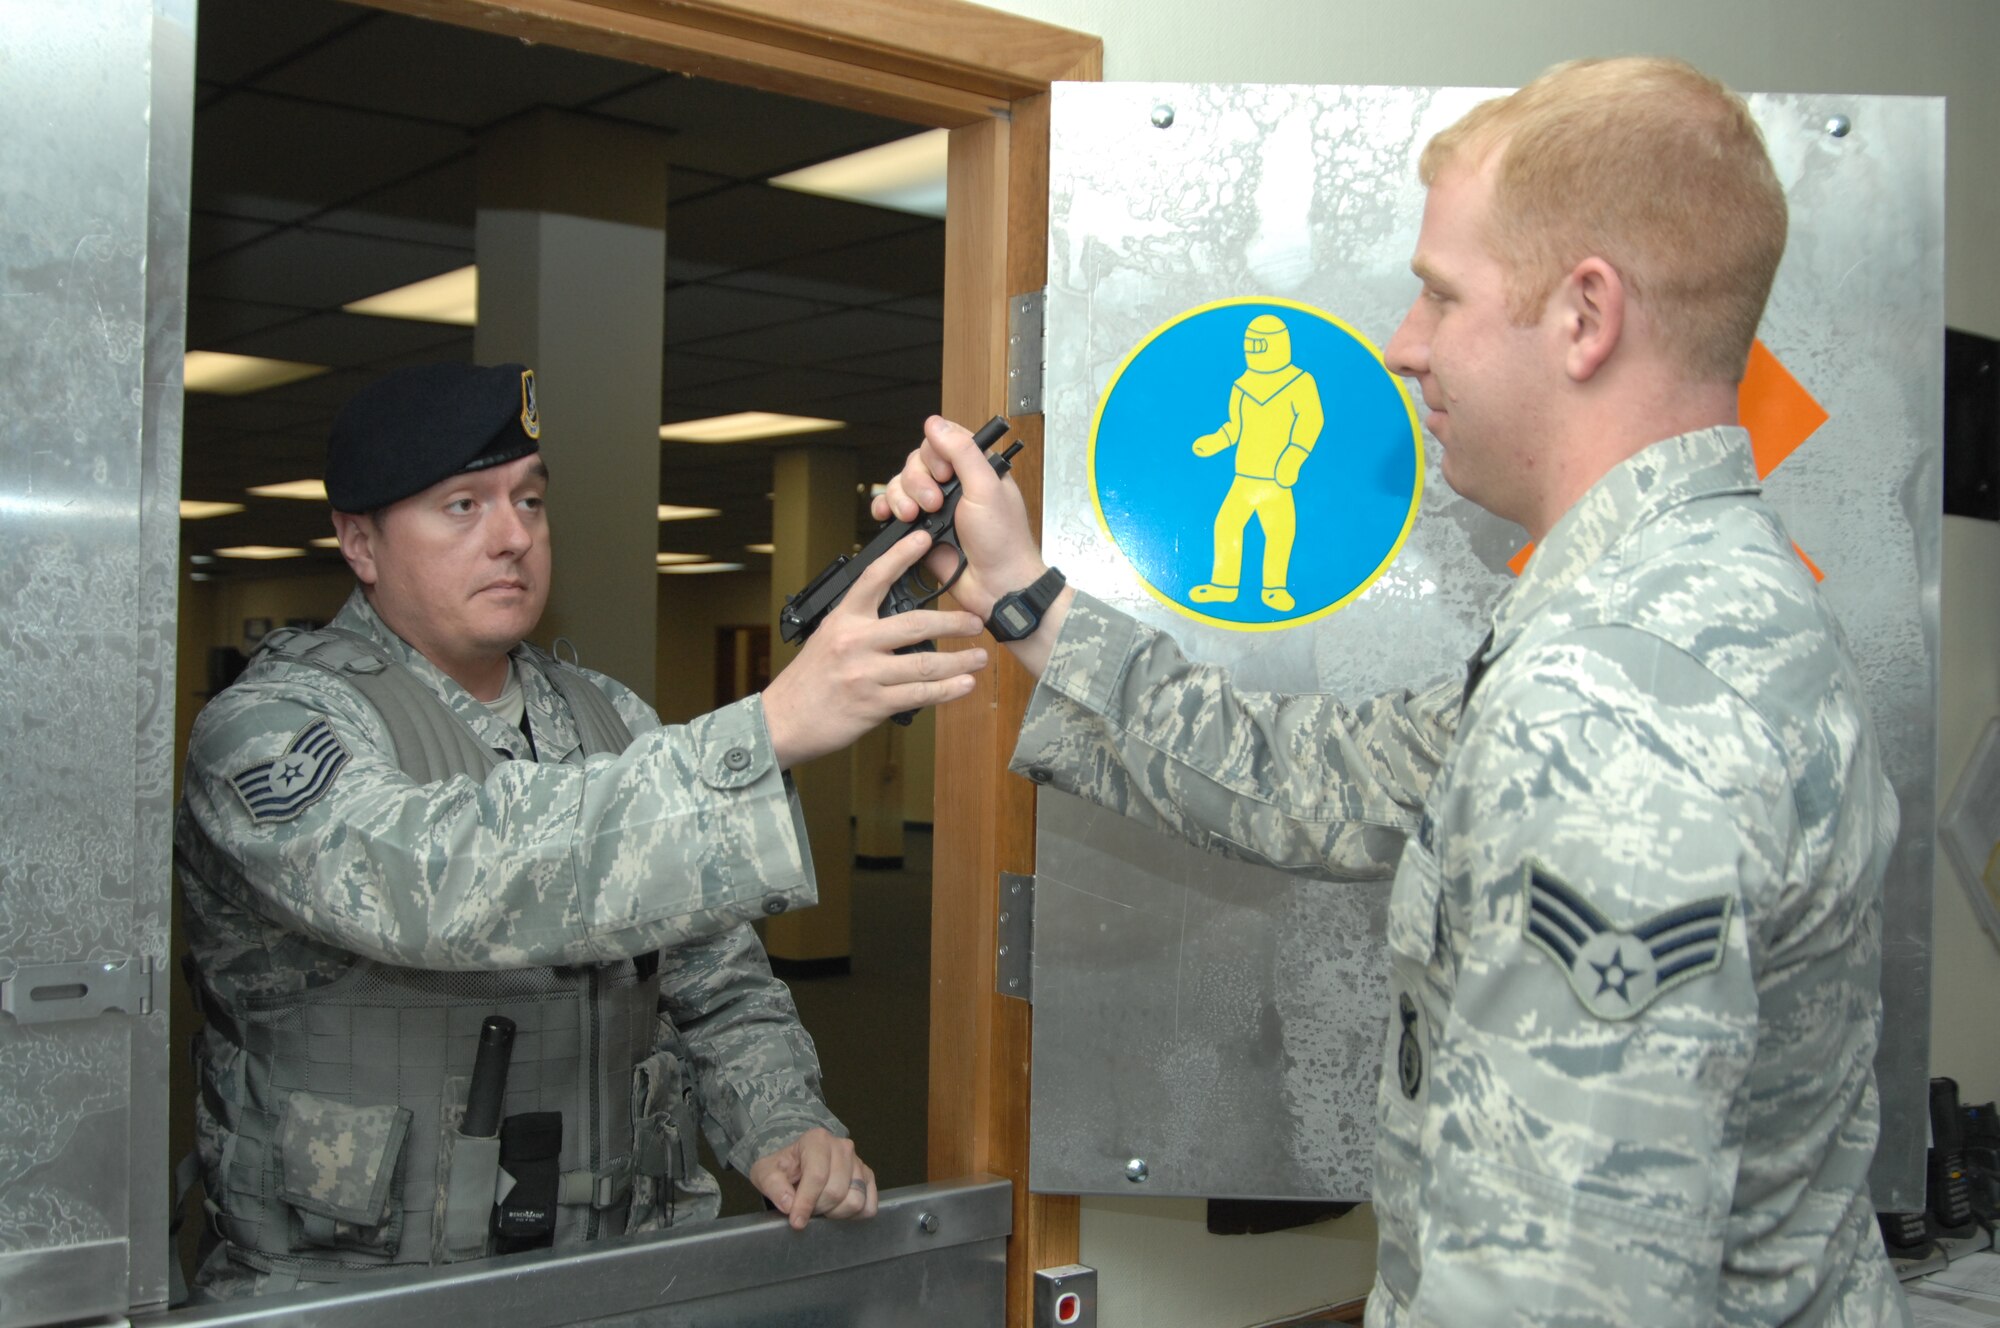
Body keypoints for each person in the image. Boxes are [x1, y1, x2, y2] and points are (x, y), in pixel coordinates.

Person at [877, 58, 1907, 1327]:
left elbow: (1558, 1293)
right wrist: (1024, 594)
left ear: (1584, 316)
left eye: (1437, 294)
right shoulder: (1683, 609)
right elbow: (1322, 774)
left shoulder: (1612, 708)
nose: (1401, 344)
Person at [176, 361, 988, 1298]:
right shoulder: (268, 728)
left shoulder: (607, 719)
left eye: (528, 499)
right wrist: (759, 733)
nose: (513, 536)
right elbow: (437, 879)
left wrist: (781, 1122)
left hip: (606, 1272)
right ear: (359, 541)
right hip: (352, 1292)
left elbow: (713, 978)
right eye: (462, 507)